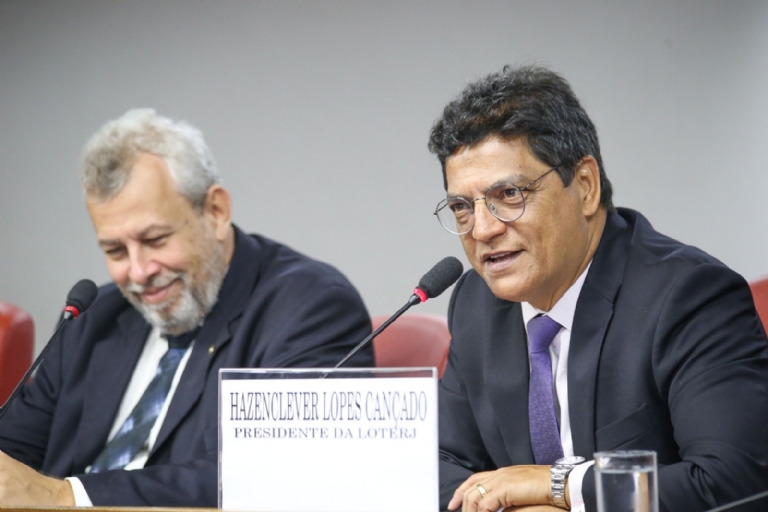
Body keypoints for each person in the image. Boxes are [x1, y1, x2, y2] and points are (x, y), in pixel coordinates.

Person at [429, 66, 768, 512]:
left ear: (585, 186)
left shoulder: (690, 296)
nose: (483, 229)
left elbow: (733, 481)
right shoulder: (477, 303)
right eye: (462, 206)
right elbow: (436, 463)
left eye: (509, 194)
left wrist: (559, 487)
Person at [0, 109, 373, 507]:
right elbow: (14, 452)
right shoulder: (93, 317)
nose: (139, 272)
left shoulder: (310, 307)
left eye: (156, 240)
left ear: (216, 212)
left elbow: (281, 472)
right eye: (115, 250)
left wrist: (67, 496)